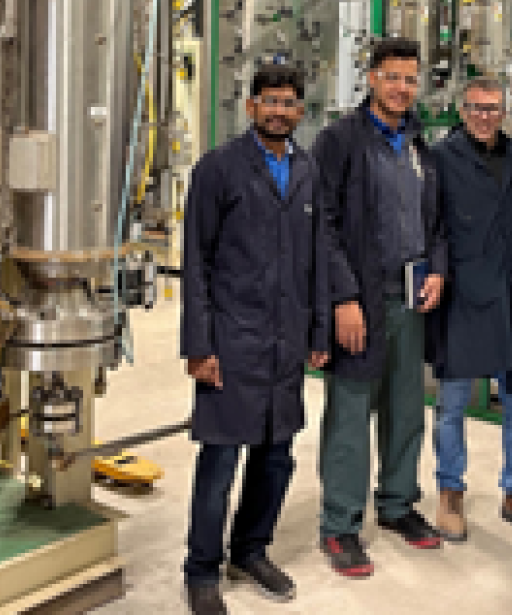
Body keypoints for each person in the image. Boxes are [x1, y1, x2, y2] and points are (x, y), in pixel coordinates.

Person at [180, 63, 331, 615]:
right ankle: (202, 569)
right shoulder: (218, 169)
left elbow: (317, 257)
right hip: (232, 339)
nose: (279, 111)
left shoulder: (308, 170)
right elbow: (195, 261)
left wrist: (317, 331)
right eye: (269, 101)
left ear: (299, 111)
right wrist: (200, 345)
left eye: (289, 103)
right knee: (220, 461)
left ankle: (251, 550)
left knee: (275, 456)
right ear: (250, 107)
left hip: (286, 340)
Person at [314, 36, 447, 578]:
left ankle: (397, 504)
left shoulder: (419, 142)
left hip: (410, 298)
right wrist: (343, 297)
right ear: (371, 78)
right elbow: (321, 223)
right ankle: (340, 524)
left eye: (410, 79)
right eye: (392, 76)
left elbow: (435, 219)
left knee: (405, 408)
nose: (401, 88)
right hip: (360, 301)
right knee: (349, 415)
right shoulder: (341, 140)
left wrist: (436, 267)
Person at [430, 75, 512, 544]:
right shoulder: (442, 158)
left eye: (493, 109)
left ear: (505, 111)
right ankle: (449, 490)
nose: (485, 117)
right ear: (461, 111)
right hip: (464, 291)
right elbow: (434, 227)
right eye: (476, 108)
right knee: (452, 404)